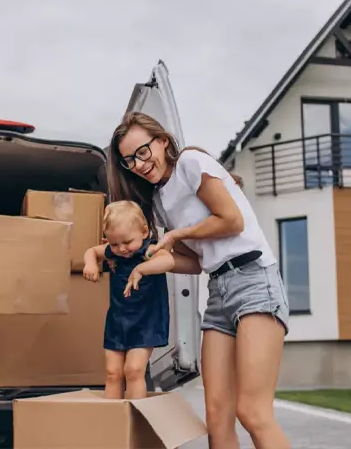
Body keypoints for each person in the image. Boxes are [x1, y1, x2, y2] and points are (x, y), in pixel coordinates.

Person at [107, 112, 290, 449]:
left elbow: (231, 221)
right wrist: (151, 262)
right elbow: (196, 262)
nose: (139, 164)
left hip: (254, 280)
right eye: (130, 160)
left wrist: (177, 233)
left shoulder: (191, 162)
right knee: (217, 416)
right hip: (219, 292)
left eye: (143, 152)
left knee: (252, 412)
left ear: (163, 142)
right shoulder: (160, 202)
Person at [82, 200, 175, 400]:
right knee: (112, 373)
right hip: (118, 320)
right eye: (114, 243)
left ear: (144, 232)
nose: (122, 249)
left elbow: (168, 260)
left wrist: (141, 268)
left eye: (127, 242)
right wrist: (90, 263)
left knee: (133, 371)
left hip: (146, 321)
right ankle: (114, 423)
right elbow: (93, 251)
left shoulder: (148, 250)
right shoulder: (113, 251)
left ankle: (135, 422)